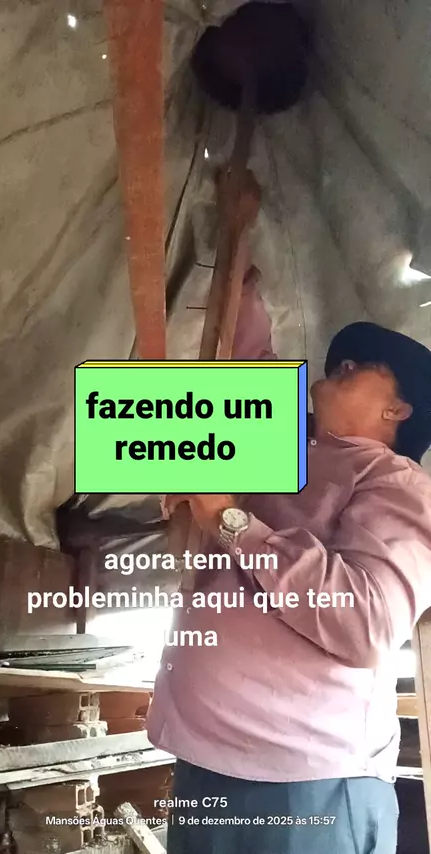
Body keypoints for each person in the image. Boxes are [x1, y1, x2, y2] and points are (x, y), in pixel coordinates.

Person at [146, 269, 431, 854]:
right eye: (343, 359)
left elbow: (366, 623)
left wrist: (230, 520)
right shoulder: (282, 444)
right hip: (203, 763)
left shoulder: (395, 483)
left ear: (399, 409)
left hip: (307, 785)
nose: (343, 363)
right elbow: (248, 364)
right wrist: (238, 274)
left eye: (365, 365)